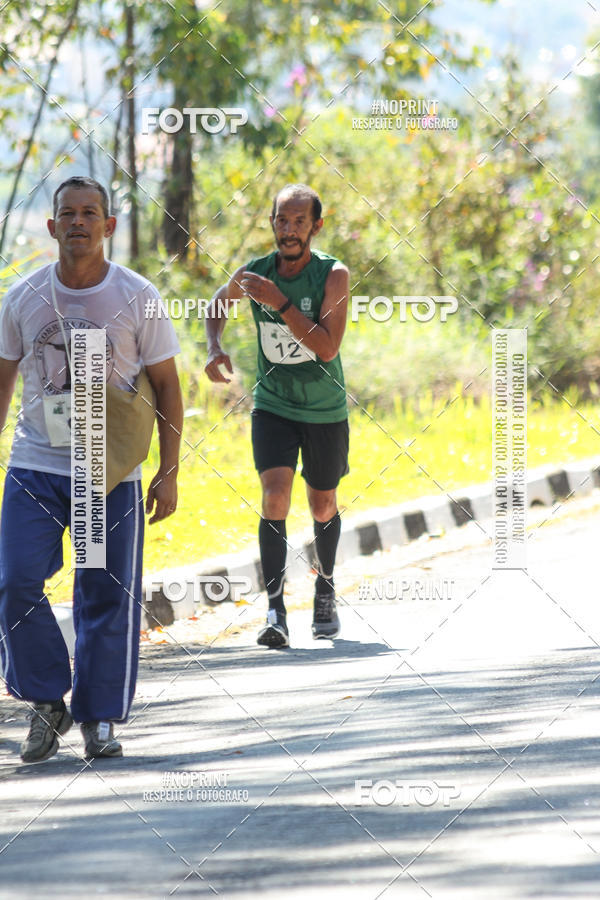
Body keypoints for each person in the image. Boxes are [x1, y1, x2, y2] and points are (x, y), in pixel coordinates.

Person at [0, 176, 183, 762]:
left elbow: (168, 387)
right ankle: (46, 699)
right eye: (67, 214)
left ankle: (99, 717)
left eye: (90, 213)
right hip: (35, 465)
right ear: (52, 227)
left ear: (107, 226)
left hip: (104, 474)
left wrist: (170, 469)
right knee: (14, 582)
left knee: (102, 590)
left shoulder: (137, 296)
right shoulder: (22, 297)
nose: (78, 222)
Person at [205, 183, 349, 648]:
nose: (289, 231)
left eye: (299, 222)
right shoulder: (256, 273)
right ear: (272, 224)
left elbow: (327, 348)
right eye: (281, 221)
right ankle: (275, 609)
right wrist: (214, 346)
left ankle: (324, 589)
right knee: (274, 497)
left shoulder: (333, 275)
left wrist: (280, 303)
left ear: (316, 227)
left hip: (325, 408)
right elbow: (216, 305)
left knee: (323, 503)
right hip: (273, 405)